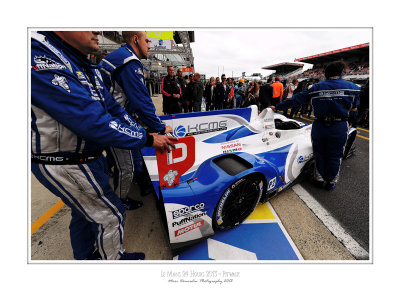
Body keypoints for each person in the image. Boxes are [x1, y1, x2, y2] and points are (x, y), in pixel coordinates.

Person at [31, 31, 177, 260]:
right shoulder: (40, 54)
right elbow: (93, 120)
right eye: (146, 39)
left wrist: (143, 132)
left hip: (86, 157)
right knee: (110, 214)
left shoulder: (86, 64)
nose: (98, 30)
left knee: (83, 213)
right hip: (65, 161)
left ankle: (86, 257)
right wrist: (148, 137)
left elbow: (114, 109)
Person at [99, 31, 172, 209]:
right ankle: (118, 202)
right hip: (113, 120)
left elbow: (124, 96)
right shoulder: (129, 61)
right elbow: (142, 100)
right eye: (147, 41)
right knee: (127, 167)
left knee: (119, 159)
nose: (149, 45)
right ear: (135, 40)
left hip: (108, 116)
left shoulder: (121, 56)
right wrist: (160, 127)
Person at [269, 61, 360, 191]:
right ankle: (330, 182)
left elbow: (295, 100)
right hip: (339, 126)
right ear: (341, 72)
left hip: (319, 126)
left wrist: (276, 107)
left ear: (326, 74)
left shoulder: (315, 87)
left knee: (319, 153)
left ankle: (319, 179)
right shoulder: (353, 88)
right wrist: (352, 123)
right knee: (335, 155)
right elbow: (355, 111)